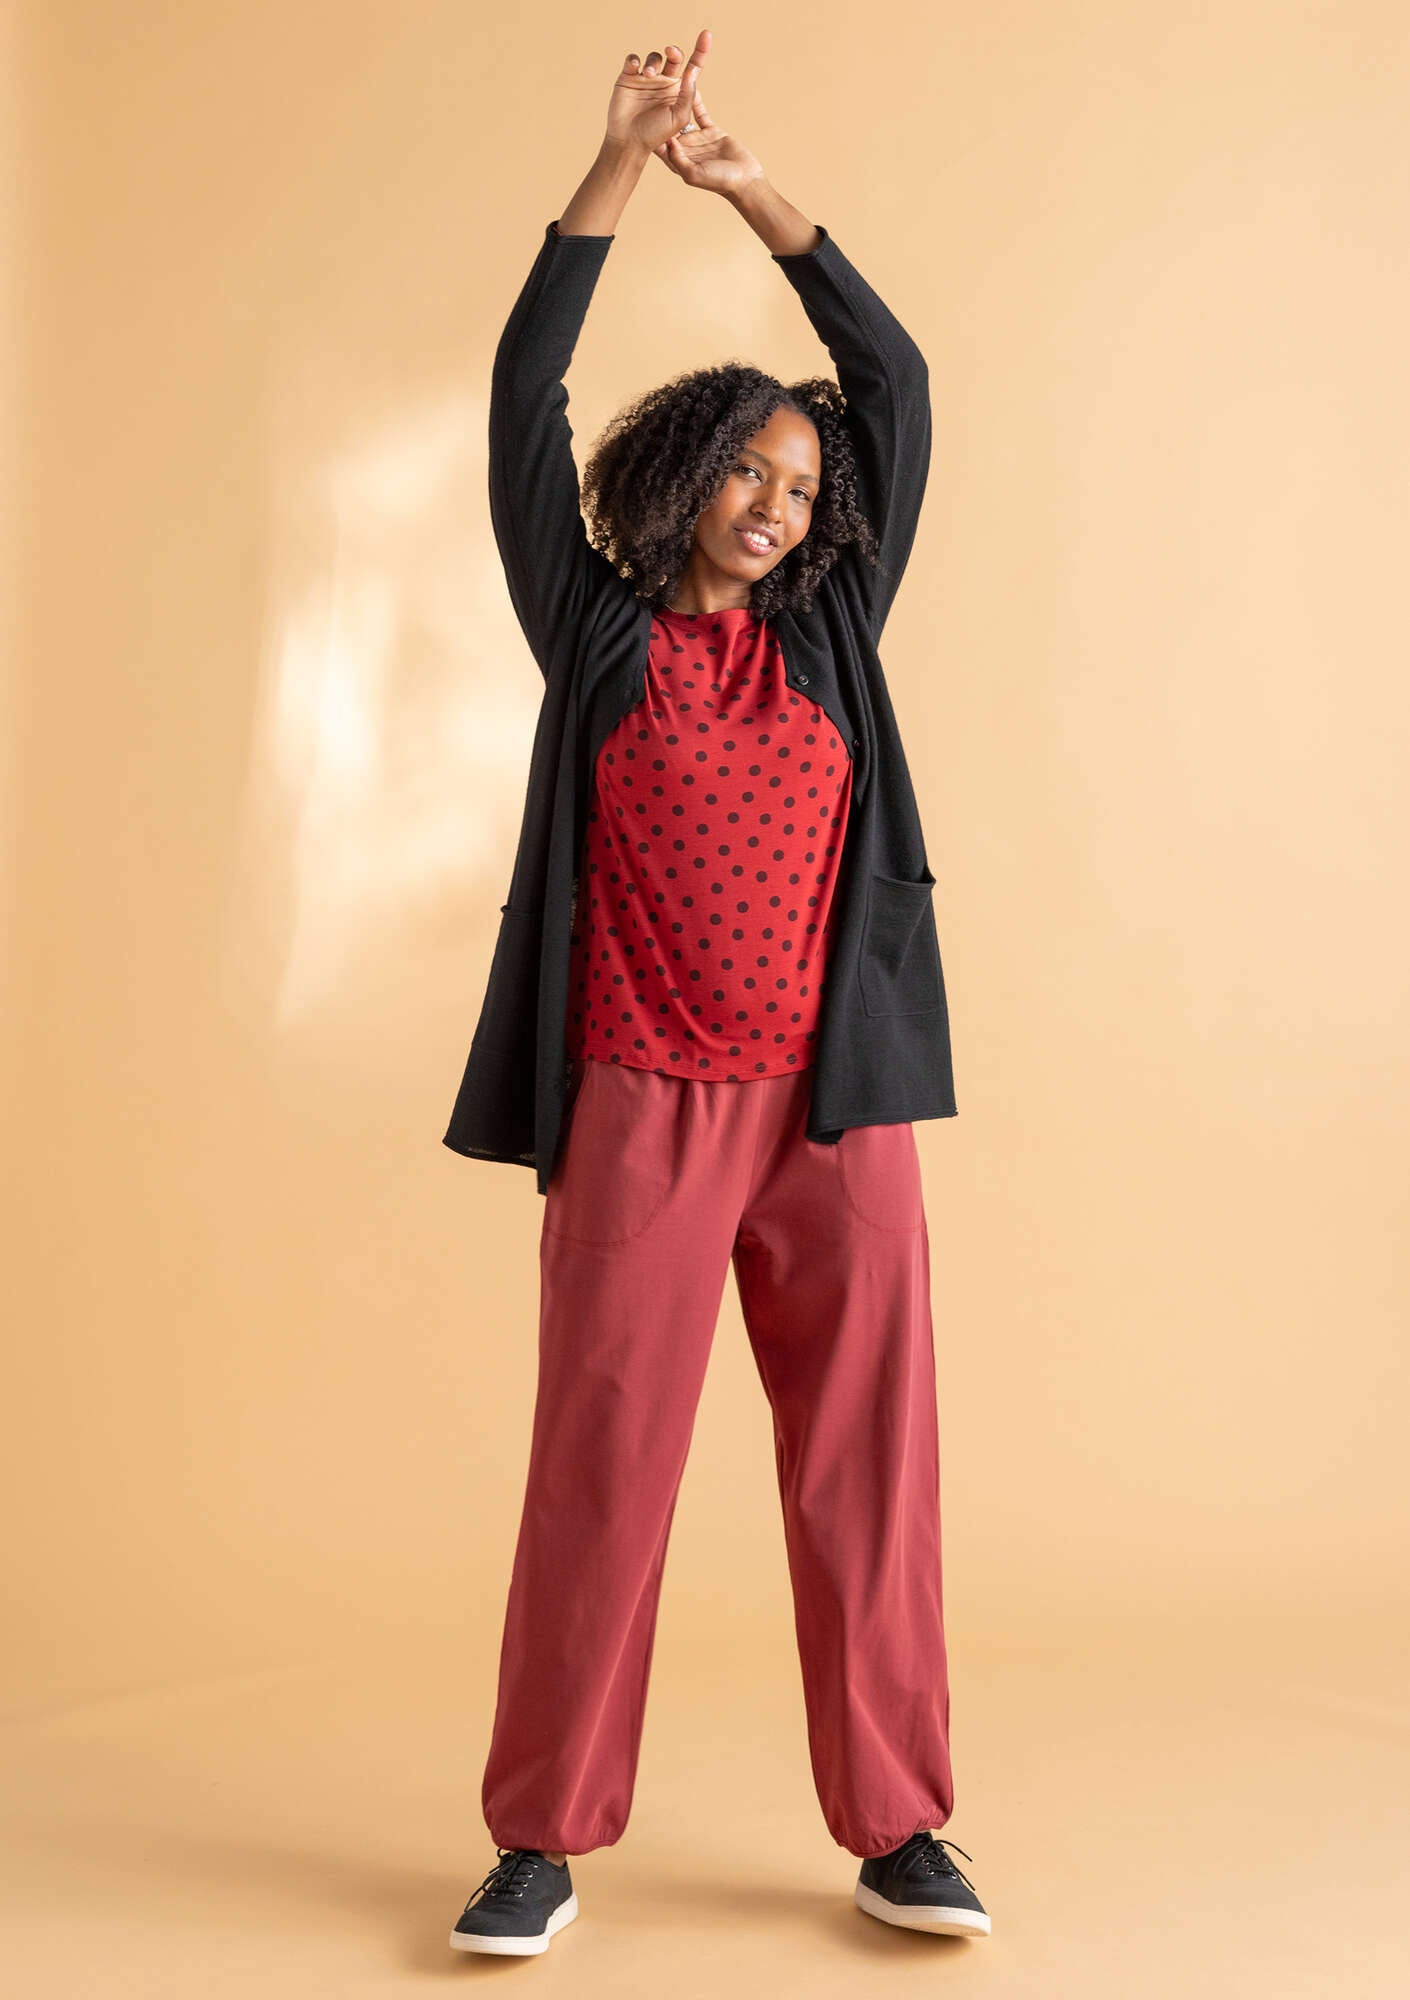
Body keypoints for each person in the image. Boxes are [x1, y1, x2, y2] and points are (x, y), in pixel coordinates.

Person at [447, 30, 989, 1956]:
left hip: (834, 1113)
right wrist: (615, 166)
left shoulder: (831, 630)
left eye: (798, 482)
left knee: (866, 1474)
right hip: (640, 1103)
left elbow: (893, 383)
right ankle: (541, 1836)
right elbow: (520, 395)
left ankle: (900, 1827)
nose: (771, 500)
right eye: (745, 469)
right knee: (598, 1470)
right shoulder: (593, 630)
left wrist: (750, 190)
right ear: (681, 476)